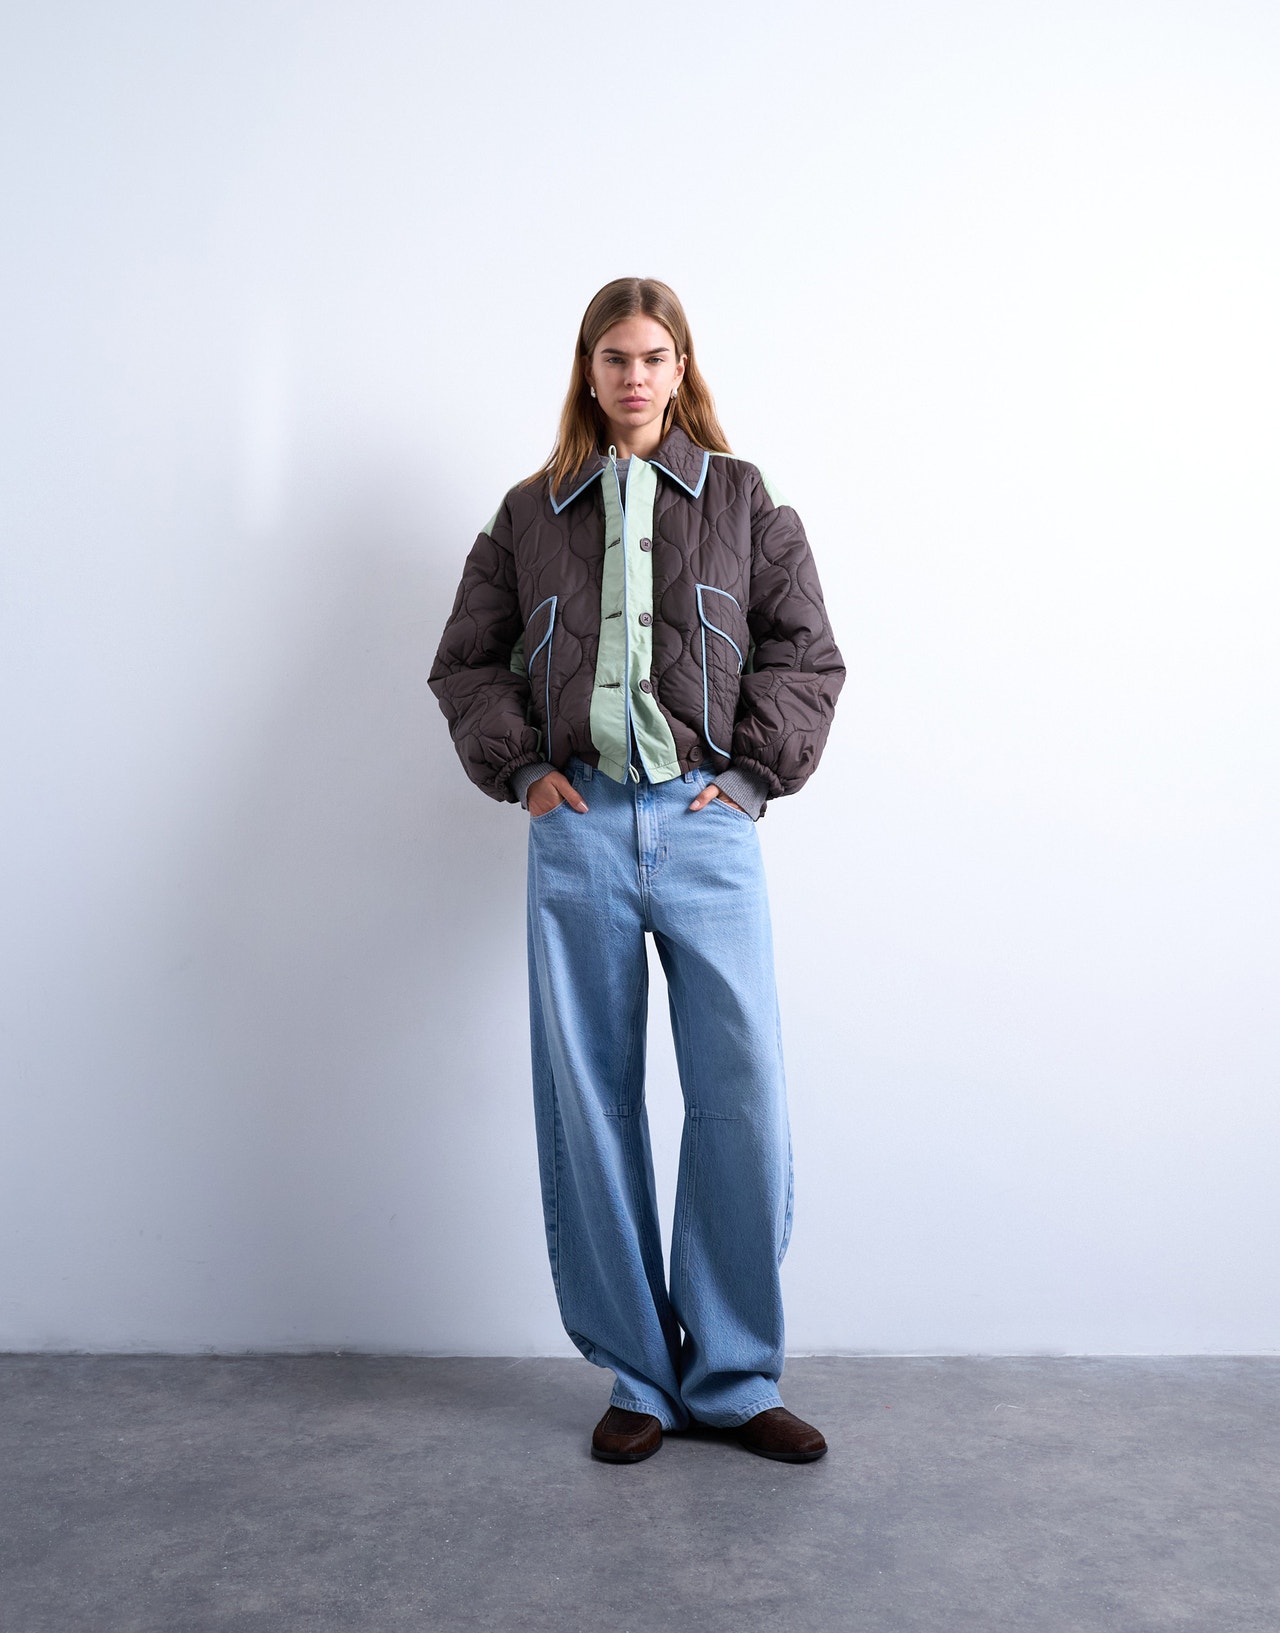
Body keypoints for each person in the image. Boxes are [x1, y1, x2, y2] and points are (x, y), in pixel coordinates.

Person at [429, 277, 844, 1464]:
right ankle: (637, 1379)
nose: (633, 376)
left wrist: (752, 777)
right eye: (614, 357)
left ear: (680, 368)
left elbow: (805, 651)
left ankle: (734, 1376)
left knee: (739, 1095)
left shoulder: (745, 499)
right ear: (587, 368)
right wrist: (523, 771)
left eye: (653, 356)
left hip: (708, 825)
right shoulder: (528, 512)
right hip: (579, 830)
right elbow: (466, 661)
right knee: (590, 1103)